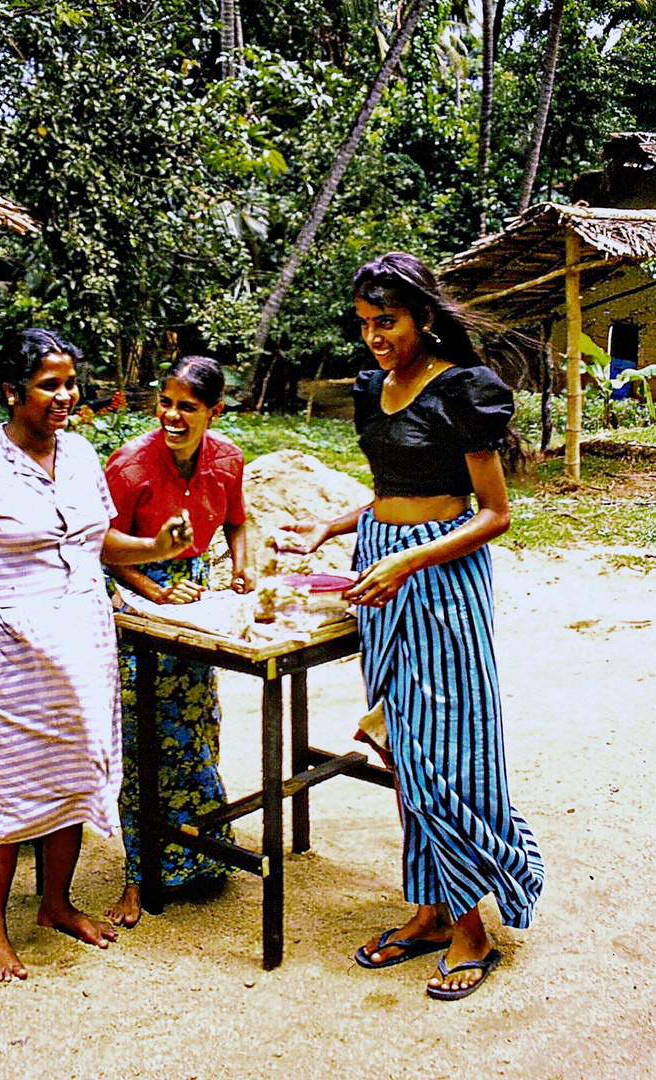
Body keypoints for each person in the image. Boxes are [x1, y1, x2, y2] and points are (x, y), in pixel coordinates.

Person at [281, 253, 544, 1001]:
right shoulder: (375, 390)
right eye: (364, 325)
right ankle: (429, 911)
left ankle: (472, 930)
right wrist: (327, 529)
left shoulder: (462, 391)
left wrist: (409, 564)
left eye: (386, 322)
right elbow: (386, 492)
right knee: (402, 746)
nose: (374, 338)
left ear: (423, 318)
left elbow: (493, 515)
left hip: (440, 584)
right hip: (382, 576)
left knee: (446, 753)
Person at [0, 328, 193, 982]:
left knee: (69, 771)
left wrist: (155, 550)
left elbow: (99, 543)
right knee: (10, 782)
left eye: (69, 383)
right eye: (49, 385)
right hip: (9, 644)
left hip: (82, 633)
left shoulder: (83, 454)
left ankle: (55, 905)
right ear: (11, 392)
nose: (65, 396)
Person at [103, 356, 254, 928]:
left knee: (196, 730)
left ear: (214, 412)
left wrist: (239, 568)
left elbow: (237, 520)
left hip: (196, 597)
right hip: (135, 601)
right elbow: (102, 546)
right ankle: (138, 877)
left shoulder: (228, 459)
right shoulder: (130, 465)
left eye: (186, 407)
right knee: (144, 738)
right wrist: (153, 590)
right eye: (165, 403)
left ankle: (200, 859)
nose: (171, 415)